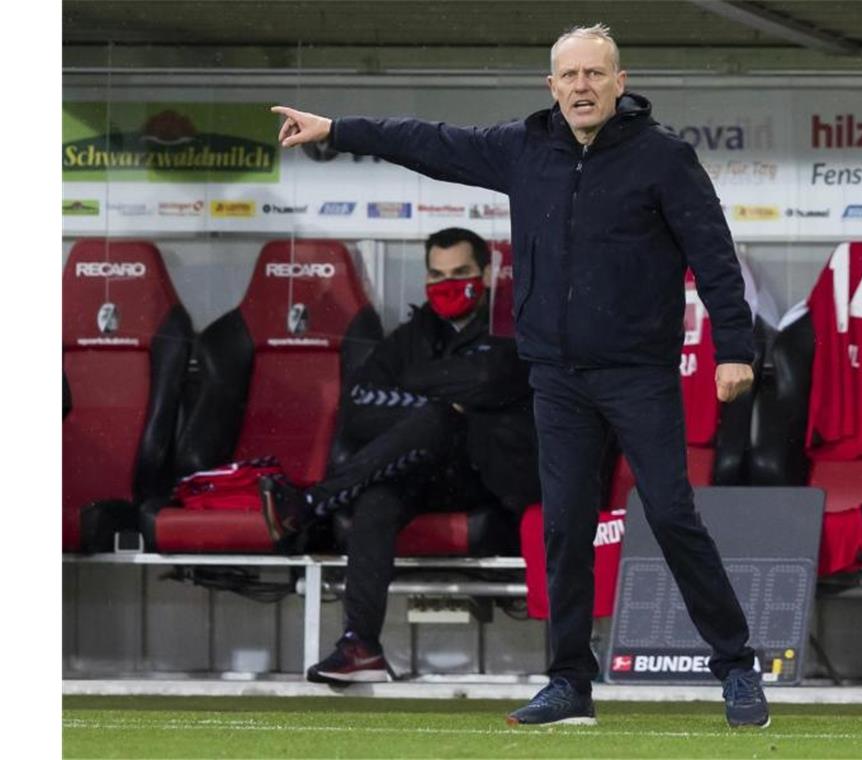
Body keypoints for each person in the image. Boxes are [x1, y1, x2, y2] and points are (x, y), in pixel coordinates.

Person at [271, 24, 770, 728]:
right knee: (562, 527)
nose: (583, 87)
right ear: (552, 87)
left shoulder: (664, 159)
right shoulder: (524, 150)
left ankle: (736, 666)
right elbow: (431, 143)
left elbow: (715, 258)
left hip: (637, 374)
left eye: (595, 74)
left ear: (620, 82)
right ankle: (569, 683)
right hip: (557, 378)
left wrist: (735, 350)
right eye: (570, 76)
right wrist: (337, 127)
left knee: (670, 516)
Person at [259, 227, 540, 684]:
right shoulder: (413, 334)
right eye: (437, 274)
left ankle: (311, 503)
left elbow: (490, 377)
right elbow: (356, 408)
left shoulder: (512, 327)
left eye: (461, 273)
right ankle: (361, 646)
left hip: (488, 479)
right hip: (422, 472)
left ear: (485, 273)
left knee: (437, 419)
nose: (448, 283)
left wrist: (417, 386)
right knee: (379, 498)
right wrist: (440, 394)